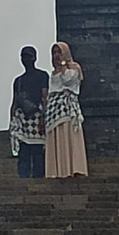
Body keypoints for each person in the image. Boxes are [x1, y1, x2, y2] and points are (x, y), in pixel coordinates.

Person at [45, 41, 88, 178]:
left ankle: (73, 168)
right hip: (54, 109)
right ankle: (57, 171)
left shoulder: (74, 69)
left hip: (67, 108)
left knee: (68, 135)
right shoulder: (52, 74)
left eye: (59, 52)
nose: (56, 56)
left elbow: (67, 80)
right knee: (57, 136)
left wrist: (63, 66)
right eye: (54, 53)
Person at [9, 46, 49, 178]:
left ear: (35, 58)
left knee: (38, 152)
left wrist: (44, 118)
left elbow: (45, 97)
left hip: (37, 117)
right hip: (23, 119)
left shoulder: (42, 76)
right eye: (24, 57)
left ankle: (38, 177)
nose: (27, 59)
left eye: (29, 56)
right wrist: (12, 120)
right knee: (24, 151)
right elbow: (15, 101)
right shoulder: (18, 81)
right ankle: (24, 177)